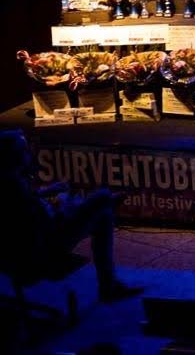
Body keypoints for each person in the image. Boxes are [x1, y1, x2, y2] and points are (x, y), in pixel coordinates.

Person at [0, 129, 141, 302]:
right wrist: (66, 207)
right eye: (24, 150)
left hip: (11, 257)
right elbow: (45, 226)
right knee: (102, 199)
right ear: (14, 157)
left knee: (101, 210)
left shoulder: (8, 183)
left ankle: (109, 285)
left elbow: (29, 206)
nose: (28, 153)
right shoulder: (15, 188)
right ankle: (108, 286)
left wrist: (45, 193)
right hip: (39, 254)